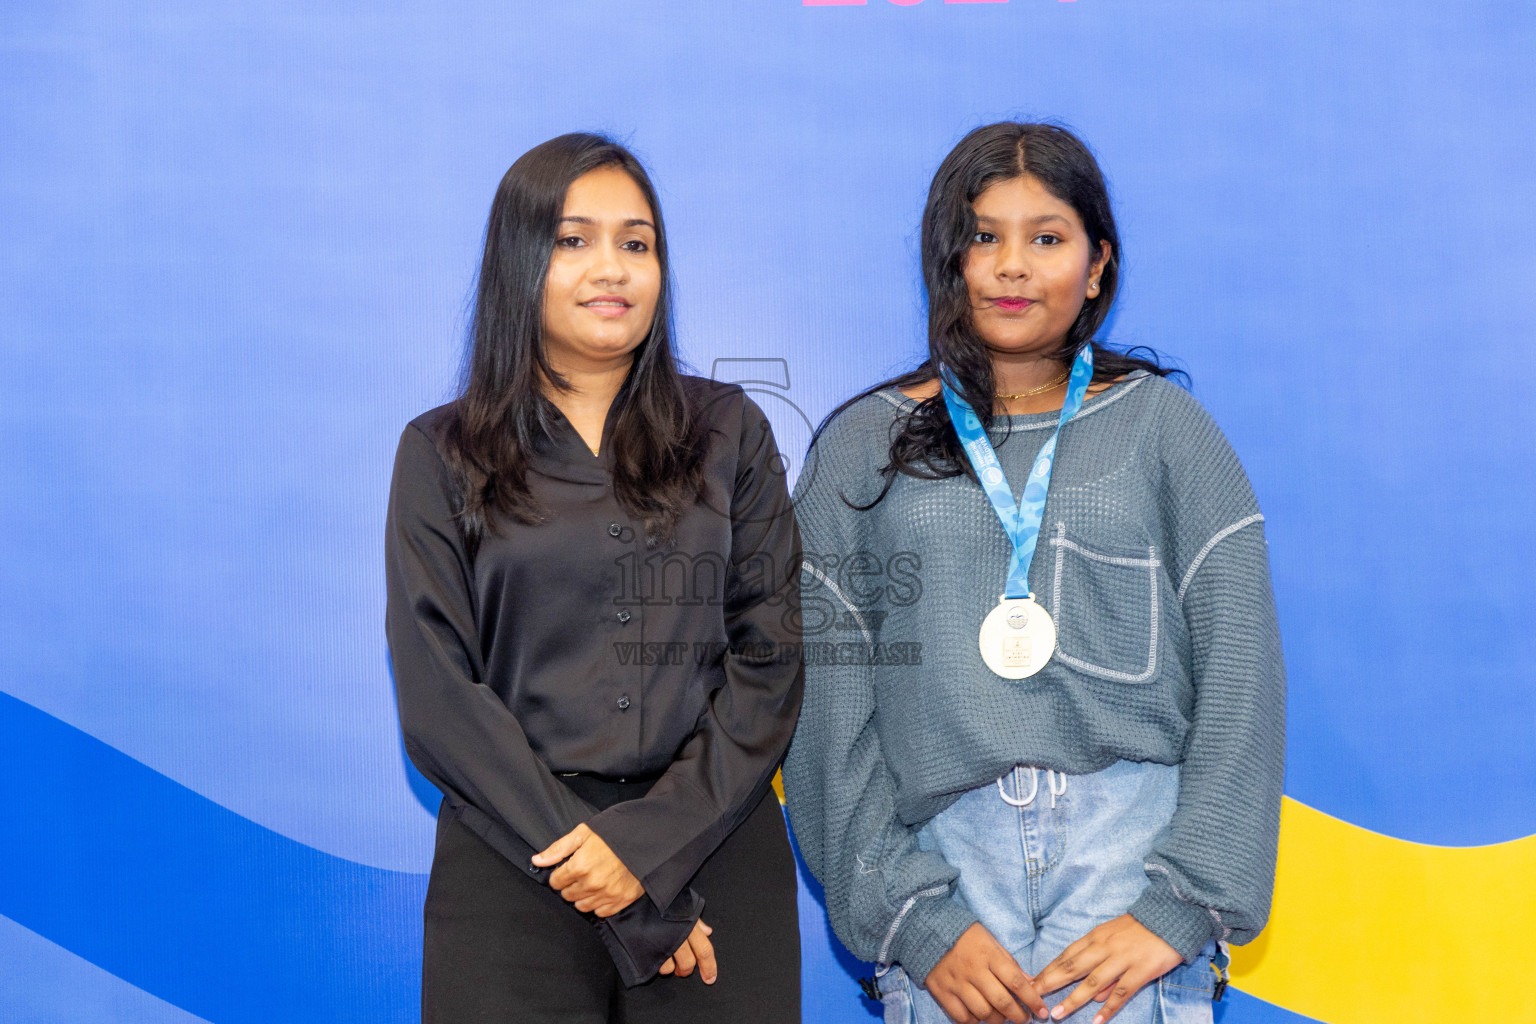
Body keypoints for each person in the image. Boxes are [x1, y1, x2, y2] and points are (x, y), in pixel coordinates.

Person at [783, 122, 1284, 1024]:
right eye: (984, 236)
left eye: (1046, 238)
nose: (1012, 266)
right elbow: (826, 708)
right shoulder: (861, 449)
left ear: (1097, 267)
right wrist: (914, 917)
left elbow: (1241, 672)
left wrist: (1182, 903)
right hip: (944, 877)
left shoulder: (1168, 431)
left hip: (1133, 868)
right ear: (948, 261)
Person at [385, 132, 803, 1024]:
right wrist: (602, 870)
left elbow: (768, 666)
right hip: (513, 862)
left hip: (714, 848)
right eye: (574, 240)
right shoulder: (440, 452)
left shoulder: (731, 431)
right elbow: (437, 695)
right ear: (519, 262)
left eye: (637, 242)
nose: (611, 268)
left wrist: (647, 852)